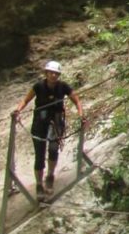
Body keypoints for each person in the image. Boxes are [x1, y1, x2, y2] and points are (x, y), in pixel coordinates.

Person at [12, 60, 84, 199]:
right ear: (46, 73)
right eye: (51, 73)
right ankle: (39, 184)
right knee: (39, 155)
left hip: (56, 123)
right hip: (40, 122)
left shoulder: (63, 87)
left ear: (58, 75)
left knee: (53, 150)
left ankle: (50, 176)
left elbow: (76, 100)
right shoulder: (39, 86)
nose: (53, 75)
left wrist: (81, 114)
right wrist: (17, 111)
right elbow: (26, 100)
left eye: (56, 73)